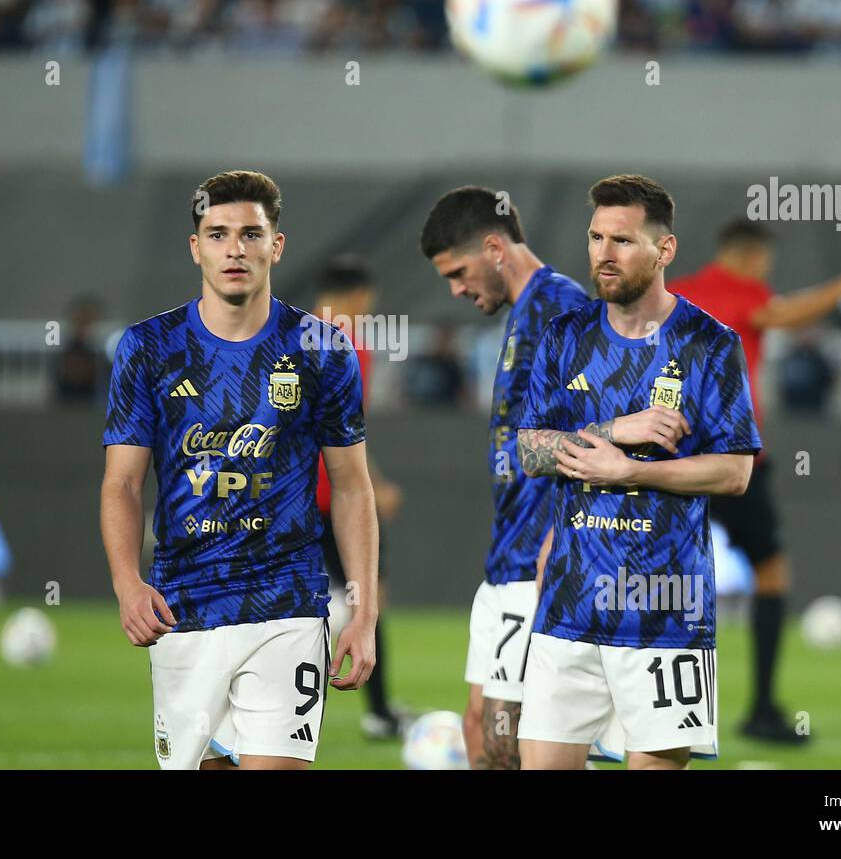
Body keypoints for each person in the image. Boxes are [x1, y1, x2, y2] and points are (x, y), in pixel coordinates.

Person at [99, 170, 379, 770]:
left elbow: (354, 488)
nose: (235, 249)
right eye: (218, 233)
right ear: (195, 246)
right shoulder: (148, 350)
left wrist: (364, 612)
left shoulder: (320, 350)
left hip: (289, 603)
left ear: (276, 246)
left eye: (251, 233)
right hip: (184, 607)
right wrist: (126, 582)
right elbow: (121, 481)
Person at [517, 174, 760, 770]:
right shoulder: (563, 336)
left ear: (664, 250)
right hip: (566, 610)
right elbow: (529, 452)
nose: (604, 253)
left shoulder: (709, 344)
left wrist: (632, 472)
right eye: (596, 237)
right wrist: (612, 431)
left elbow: (734, 473)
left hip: (666, 616)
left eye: (622, 240)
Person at [670, 218, 841, 742]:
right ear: (752, 256)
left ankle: (631, 708)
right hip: (733, 460)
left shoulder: (676, 292)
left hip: (669, 457)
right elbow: (789, 315)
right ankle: (762, 710)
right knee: (770, 573)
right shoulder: (745, 291)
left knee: (655, 581)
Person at [419, 185, 590, 769]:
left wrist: (554, 544)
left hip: (534, 560)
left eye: (459, 272)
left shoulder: (559, 307)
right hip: (506, 557)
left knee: (505, 734)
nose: (457, 289)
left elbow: (590, 434)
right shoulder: (524, 314)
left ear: (494, 248)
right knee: (480, 729)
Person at [311, 254, 409, 740]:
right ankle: (379, 712)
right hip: (339, 498)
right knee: (369, 599)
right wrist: (376, 485)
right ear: (358, 295)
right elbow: (347, 436)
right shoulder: (351, 344)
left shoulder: (289, 335)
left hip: (292, 497)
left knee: (296, 605)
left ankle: (291, 706)